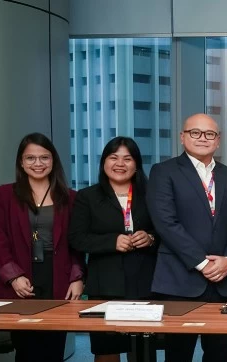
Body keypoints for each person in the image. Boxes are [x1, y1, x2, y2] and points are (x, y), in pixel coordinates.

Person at [149, 113, 227, 362]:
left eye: (209, 134)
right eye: (195, 132)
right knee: (178, 355)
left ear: (218, 140)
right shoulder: (164, 172)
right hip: (180, 279)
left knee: (220, 354)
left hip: (223, 280)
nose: (202, 138)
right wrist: (202, 262)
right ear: (182, 137)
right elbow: (166, 223)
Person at [0, 133, 83, 362]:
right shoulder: (4, 195)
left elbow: (77, 243)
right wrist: (13, 277)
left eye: (44, 157)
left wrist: (77, 277)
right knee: (26, 348)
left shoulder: (70, 197)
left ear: (53, 161)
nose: (38, 163)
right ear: (21, 162)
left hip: (58, 276)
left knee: (54, 347)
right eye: (30, 158)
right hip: (22, 276)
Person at [69, 136, 159, 362]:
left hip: (144, 283)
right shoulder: (87, 197)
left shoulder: (152, 195)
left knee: (143, 352)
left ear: (136, 164)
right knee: (107, 351)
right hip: (105, 284)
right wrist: (112, 242)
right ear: (104, 163)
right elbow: (76, 238)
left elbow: (166, 232)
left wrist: (150, 238)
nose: (120, 164)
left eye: (127, 159)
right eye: (113, 157)